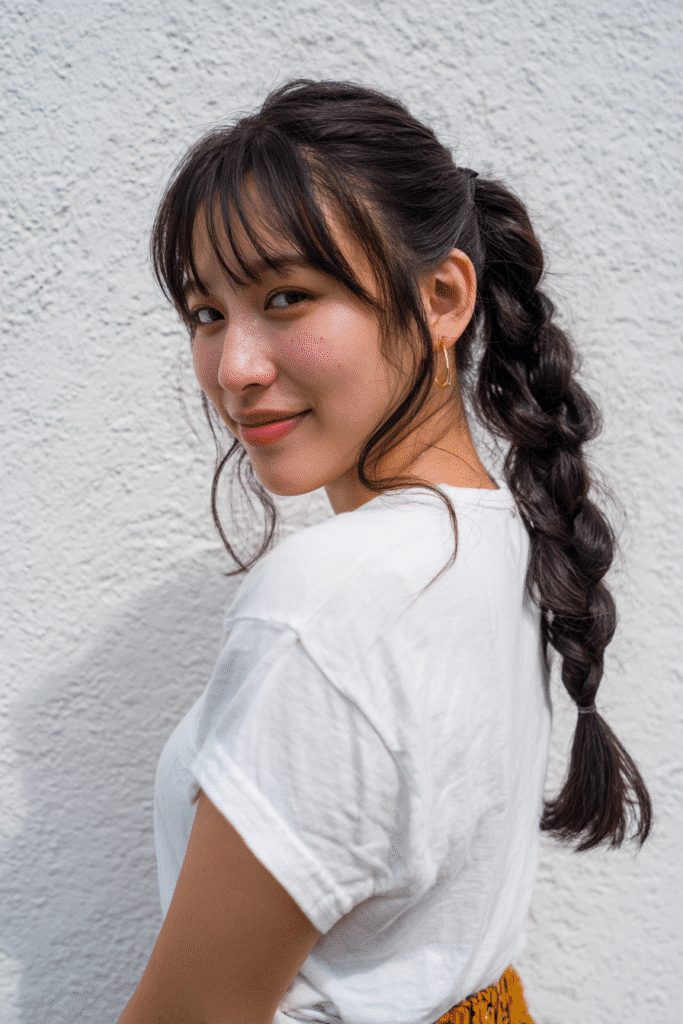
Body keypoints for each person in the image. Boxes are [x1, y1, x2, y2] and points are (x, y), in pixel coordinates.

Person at [117, 79, 652, 1024]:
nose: (234, 368)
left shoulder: (329, 596)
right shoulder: (504, 539)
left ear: (442, 298)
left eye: (286, 297)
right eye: (206, 313)